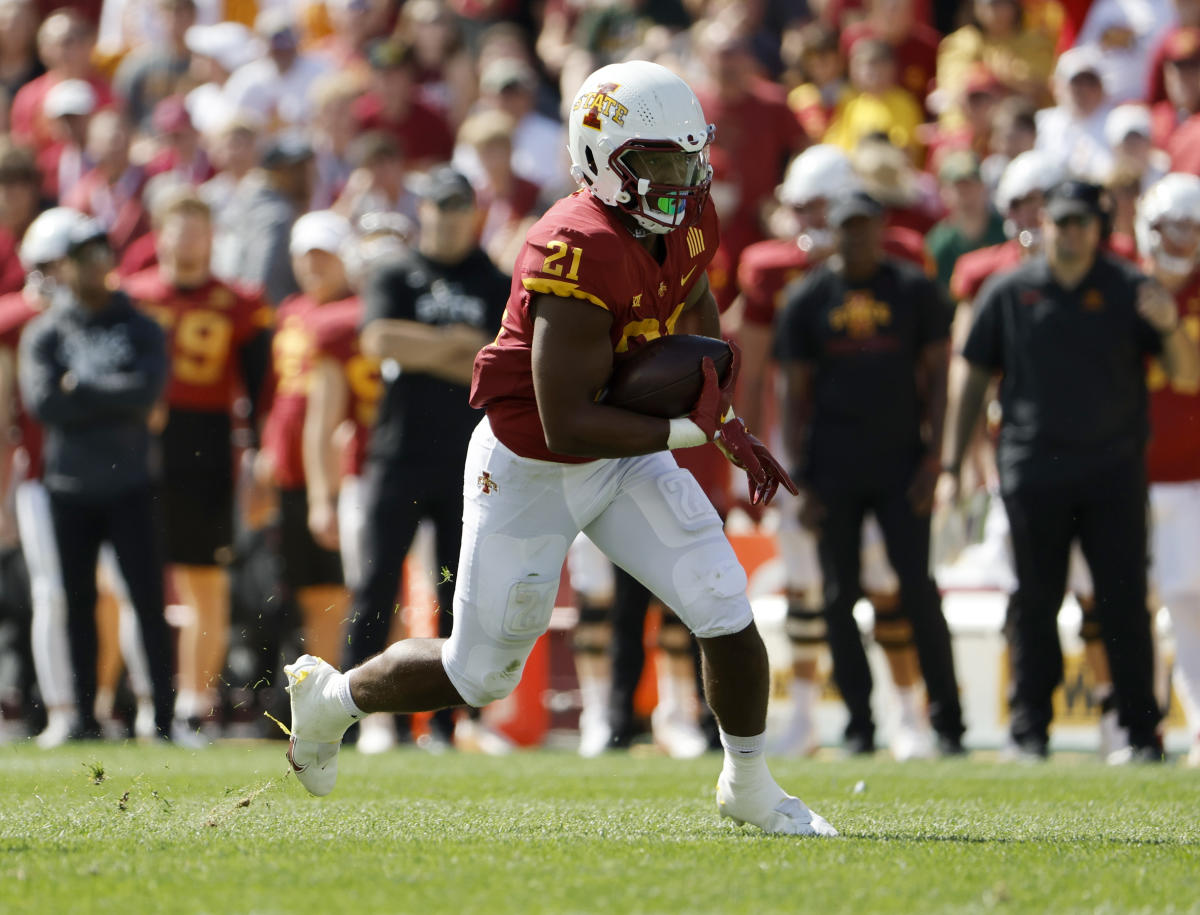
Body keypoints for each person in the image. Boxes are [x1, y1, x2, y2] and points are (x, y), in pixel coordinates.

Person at [282, 60, 836, 838]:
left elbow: (695, 299)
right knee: (480, 672)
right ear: (598, 158)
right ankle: (331, 703)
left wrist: (720, 397)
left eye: (690, 158)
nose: (683, 179)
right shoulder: (572, 244)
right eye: (661, 163)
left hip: (623, 452)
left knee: (722, 600)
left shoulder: (689, 215)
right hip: (532, 463)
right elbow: (567, 418)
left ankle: (749, 784)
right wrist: (696, 428)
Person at [939, 179, 1200, 761]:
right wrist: (954, 464)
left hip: (1113, 469)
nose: (1073, 231)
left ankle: (1139, 733)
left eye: (1084, 221)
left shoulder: (1131, 287)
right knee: (1033, 600)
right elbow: (972, 377)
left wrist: (1166, 323)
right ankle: (1028, 732)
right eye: (1063, 221)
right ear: (1046, 224)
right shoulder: (1008, 291)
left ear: (1099, 228)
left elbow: (1186, 375)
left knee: (1124, 601)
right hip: (1033, 469)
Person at [774, 189, 967, 758]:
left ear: (881, 227)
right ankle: (860, 724)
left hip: (902, 463)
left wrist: (937, 460)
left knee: (917, 591)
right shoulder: (808, 298)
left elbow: (937, 377)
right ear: (832, 231)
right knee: (838, 596)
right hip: (832, 466)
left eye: (864, 225)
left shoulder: (913, 289)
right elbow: (791, 392)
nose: (856, 236)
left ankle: (947, 722)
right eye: (846, 227)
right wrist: (800, 477)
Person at [340, 167, 509, 755]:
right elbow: (379, 340)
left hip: (470, 460)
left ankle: (444, 725)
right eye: (438, 205)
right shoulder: (396, 269)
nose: (447, 216)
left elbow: (500, 362)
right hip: (398, 454)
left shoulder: (494, 277)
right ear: (423, 211)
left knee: (455, 592)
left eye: (458, 205)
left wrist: (432, 350)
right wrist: (461, 343)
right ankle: (352, 718)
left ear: (472, 212)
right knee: (375, 586)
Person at [17, 214, 175, 740]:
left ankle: (166, 719)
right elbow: (43, 405)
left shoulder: (141, 326)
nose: (92, 265)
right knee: (77, 604)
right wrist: (114, 393)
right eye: (81, 256)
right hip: (69, 487)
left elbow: (146, 393)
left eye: (100, 253)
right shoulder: (46, 330)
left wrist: (80, 388)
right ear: (65, 265)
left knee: (148, 601)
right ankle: (81, 717)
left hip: (131, 481)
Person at [123, 190, 272, 738]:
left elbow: (260, 388)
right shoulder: (132, 296)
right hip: (136, 443)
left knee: (204, 581)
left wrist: (257, 456)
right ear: (158, 234)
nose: (186, 241)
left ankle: (194, 701)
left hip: (204, 445)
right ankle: (133, 699)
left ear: (212, 238)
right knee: (123, 581)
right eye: (177, 229)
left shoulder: (239, 302)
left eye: (196, 230)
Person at [1133, 173, 1200, 766]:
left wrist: (1169, 322)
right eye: (1168, 225)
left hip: (1192, 471)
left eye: (1190, 227)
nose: (1178, 239)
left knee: (1188, 602)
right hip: (1127, 471)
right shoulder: (1120, 283)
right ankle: (1134, 727)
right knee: (1130, 602)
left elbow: (1188, 376)